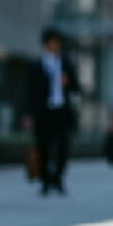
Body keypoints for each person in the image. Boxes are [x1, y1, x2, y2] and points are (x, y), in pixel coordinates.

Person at [24, 27, 80, 196]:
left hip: (61, 111)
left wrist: (68, 82)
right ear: (46, 44)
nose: (55, 45)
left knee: (63, 146)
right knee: (43, 147)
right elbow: (29, 92)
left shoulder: (66, 64)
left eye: (57, 42)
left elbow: (77, 88)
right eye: (52, 42)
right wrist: (28, 114)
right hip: (43, 112)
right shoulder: (37, 65)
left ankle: (58, 178)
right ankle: (45, 181)